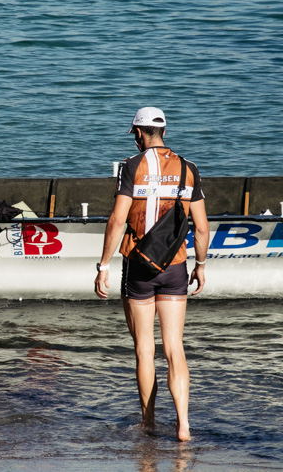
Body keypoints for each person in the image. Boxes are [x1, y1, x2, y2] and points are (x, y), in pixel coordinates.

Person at [94, 107, 208, 442]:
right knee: (175, 347)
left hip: (139, 264)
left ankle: (148, 422)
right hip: (175, 265)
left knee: (145, 349)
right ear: (163, 131)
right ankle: (183, 425)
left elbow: (117, 220)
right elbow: (201, 227)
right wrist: (200, 265)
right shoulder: (189, 168)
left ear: (139, 133)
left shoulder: (131, 165)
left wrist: (103, 266)